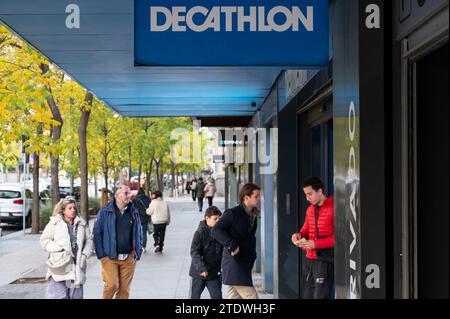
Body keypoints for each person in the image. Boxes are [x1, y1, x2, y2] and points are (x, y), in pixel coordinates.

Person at [93, 184, 143, 299]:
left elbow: (139, 231)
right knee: (112, 285)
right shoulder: (105, 211)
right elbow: (97, 232)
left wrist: (138, 250)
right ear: (117, 195)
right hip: (109, 257)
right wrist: (102, 255)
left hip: (129, 258)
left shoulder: (133, 210)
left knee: (124, 290)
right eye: (126, 193)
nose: (129, 196)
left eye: (130, 193)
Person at [211, 183, 261, 299]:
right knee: (252, 297)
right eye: (256, 196)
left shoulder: (253, 214)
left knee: (233, 297)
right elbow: (216, 230)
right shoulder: (232, 213)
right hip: (234, 263)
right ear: (246, 197)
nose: (259, 199)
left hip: (244, 262)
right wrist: (231, 245)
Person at [40, 197, 93, 299]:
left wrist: (84, 254)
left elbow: (90, 240)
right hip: (60, 265)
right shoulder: (55, 223)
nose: (73, 210)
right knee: (59, 296)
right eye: (70, 208)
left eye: (74, 208)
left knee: (76, 295)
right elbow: (44, 240)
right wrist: (58, 249)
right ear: (63, 211)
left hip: (76, 266)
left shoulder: (81, 224)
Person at [291, 177, 334, 299]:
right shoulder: (310, 209)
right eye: (306, 194)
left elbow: (340, 238)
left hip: (325, 260)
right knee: (307, 296)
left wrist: (315, 244)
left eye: (310, 194)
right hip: (309, 259)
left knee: (320, 296)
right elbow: (305, 230)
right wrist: (298, 235)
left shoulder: (334, 208)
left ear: (320, 191)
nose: (307, 198)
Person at [189, 206, 223, 299]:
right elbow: (194, 252)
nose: (217, 221)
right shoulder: (199, 232)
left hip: (214, 272)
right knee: (195, 297)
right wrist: (202, 268)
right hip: (199, 272)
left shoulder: (220, 231)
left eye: (219, 219)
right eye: (215, 219)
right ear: (207, 218)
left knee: (217, 296)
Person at [133, 187, 151, 253]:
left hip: (137, 218)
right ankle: (143, 246)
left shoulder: (135, 200)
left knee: (137, 232)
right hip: (145, 218)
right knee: (144, 232)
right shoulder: (148, 199)